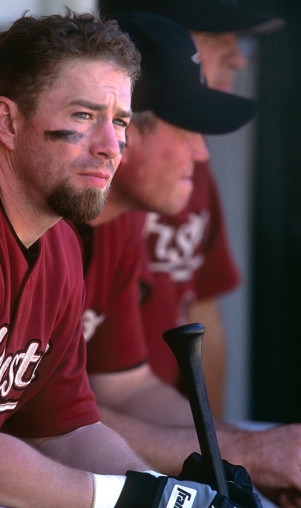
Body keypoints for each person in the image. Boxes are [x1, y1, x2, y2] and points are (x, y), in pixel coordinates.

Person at [0, 9, 272, 508]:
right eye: (84, 116)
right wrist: (138, 502)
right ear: (8, 123)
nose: (111, 145)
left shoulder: (56, 237)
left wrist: (172, 495)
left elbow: (66, 427)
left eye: (121, 121)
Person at [73, 7, 301, 508]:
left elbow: (126, 386)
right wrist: (241, 455)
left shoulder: (119, 222)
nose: (202, 155)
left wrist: (235, 464)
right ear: (120, 130)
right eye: (188, 131)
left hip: (79, 454)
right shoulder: (46, 230)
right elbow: (43, 421)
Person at [99, 0, 285, 418]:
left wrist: (220, 456)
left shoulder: (177, 172)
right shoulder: (83, 210)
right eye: (219, 38)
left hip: (154, 420)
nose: (238, 57)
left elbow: (203, 309)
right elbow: (57, 414)